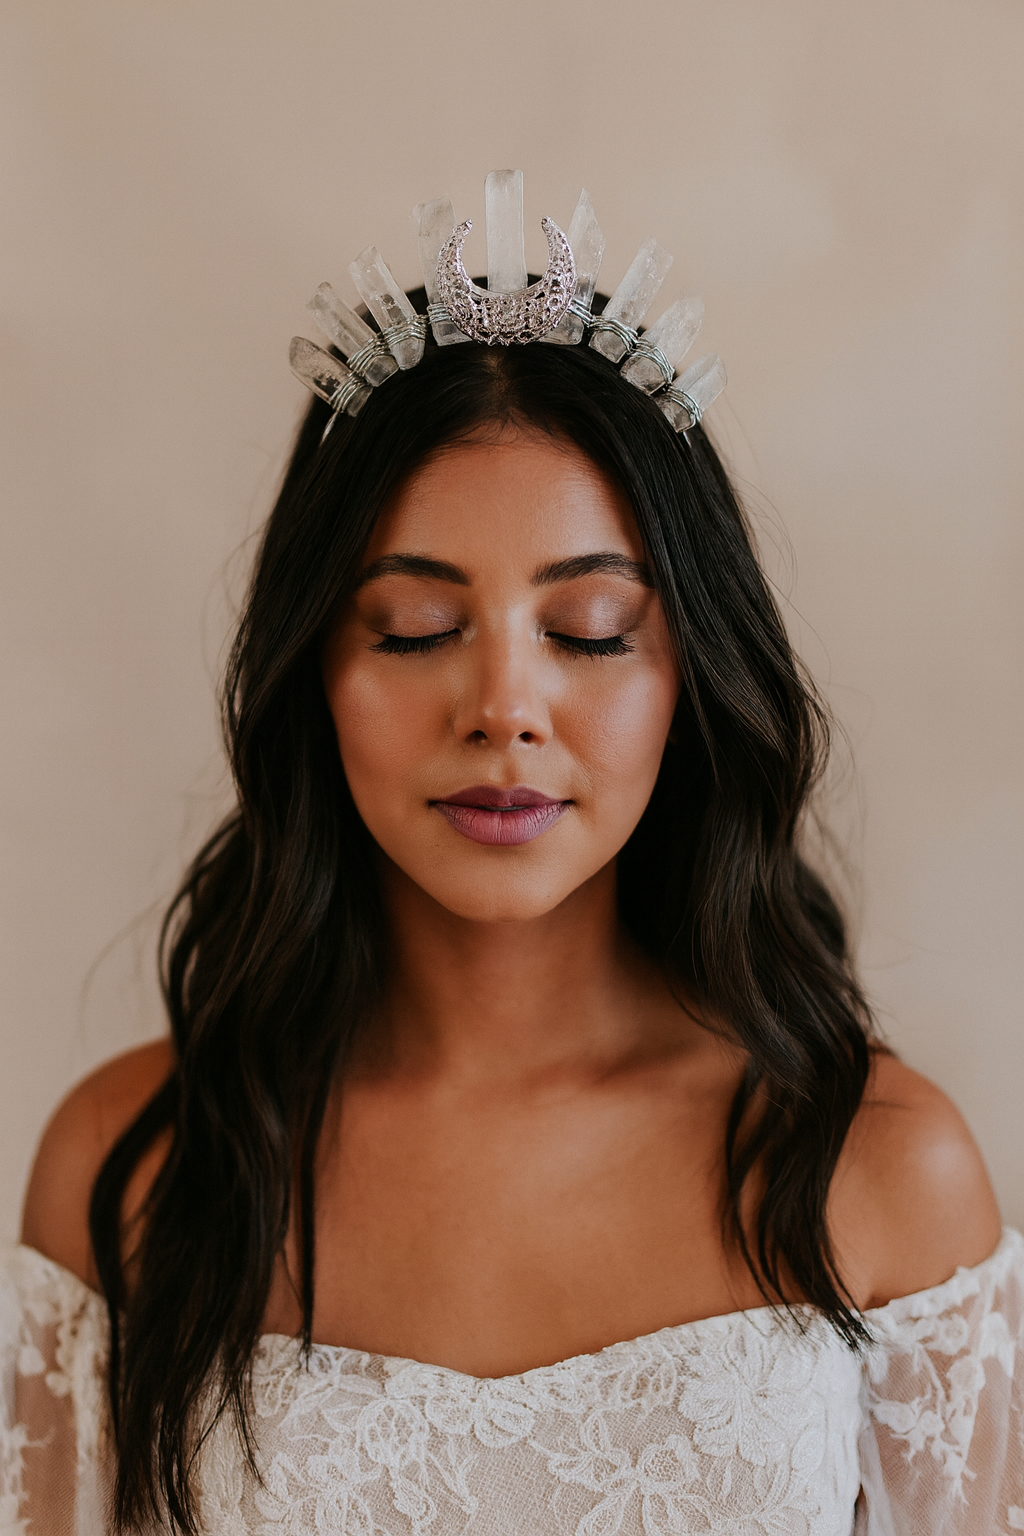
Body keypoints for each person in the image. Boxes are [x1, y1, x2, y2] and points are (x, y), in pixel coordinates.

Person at [3, 179, 1021, 1536]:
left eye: (592, 628)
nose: (504, 710)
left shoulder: (879, 1167)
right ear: (315, 669)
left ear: (690, 673)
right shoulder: (135, 1166)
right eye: (417, 626)